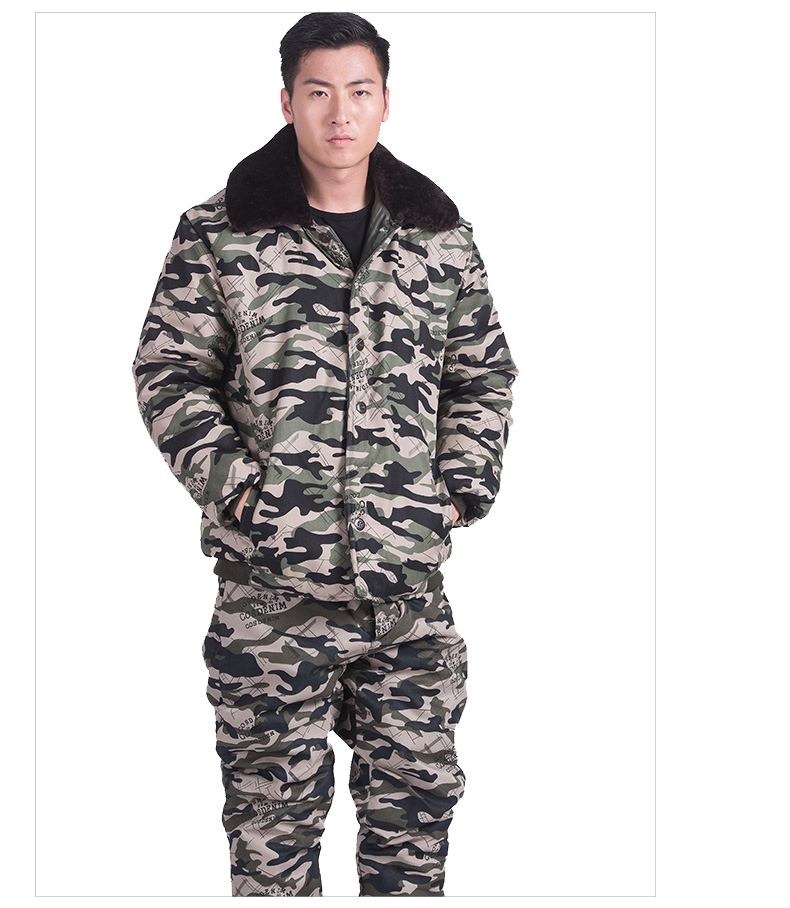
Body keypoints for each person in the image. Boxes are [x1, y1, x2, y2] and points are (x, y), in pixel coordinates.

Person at [132, 11, 518, 897]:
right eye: (318, 92)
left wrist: (456, 490)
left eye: (358, 91)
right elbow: (169, 372)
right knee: (272, 847)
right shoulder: (221, 232)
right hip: (270, 599)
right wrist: (242, 492)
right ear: (287, 102)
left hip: (406, 600)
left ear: (385, 101)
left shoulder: (438, 237)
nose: (339, 113)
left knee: (413, 838)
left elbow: (483, 374)